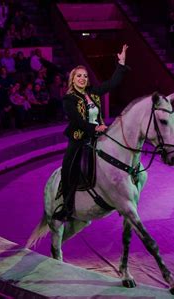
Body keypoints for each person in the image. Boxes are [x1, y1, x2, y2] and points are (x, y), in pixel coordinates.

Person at [52, 44, 129, 221]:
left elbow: (112, 83)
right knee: (69, 169)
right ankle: (68, 207)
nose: (83, 79)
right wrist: (94, 127)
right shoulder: (69, 99)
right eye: (79, 76)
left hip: (98, 135)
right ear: (72, 79)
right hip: (79, 138)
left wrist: (121, 64)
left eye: (85, 76)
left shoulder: (93, 92)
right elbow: (77, 121)